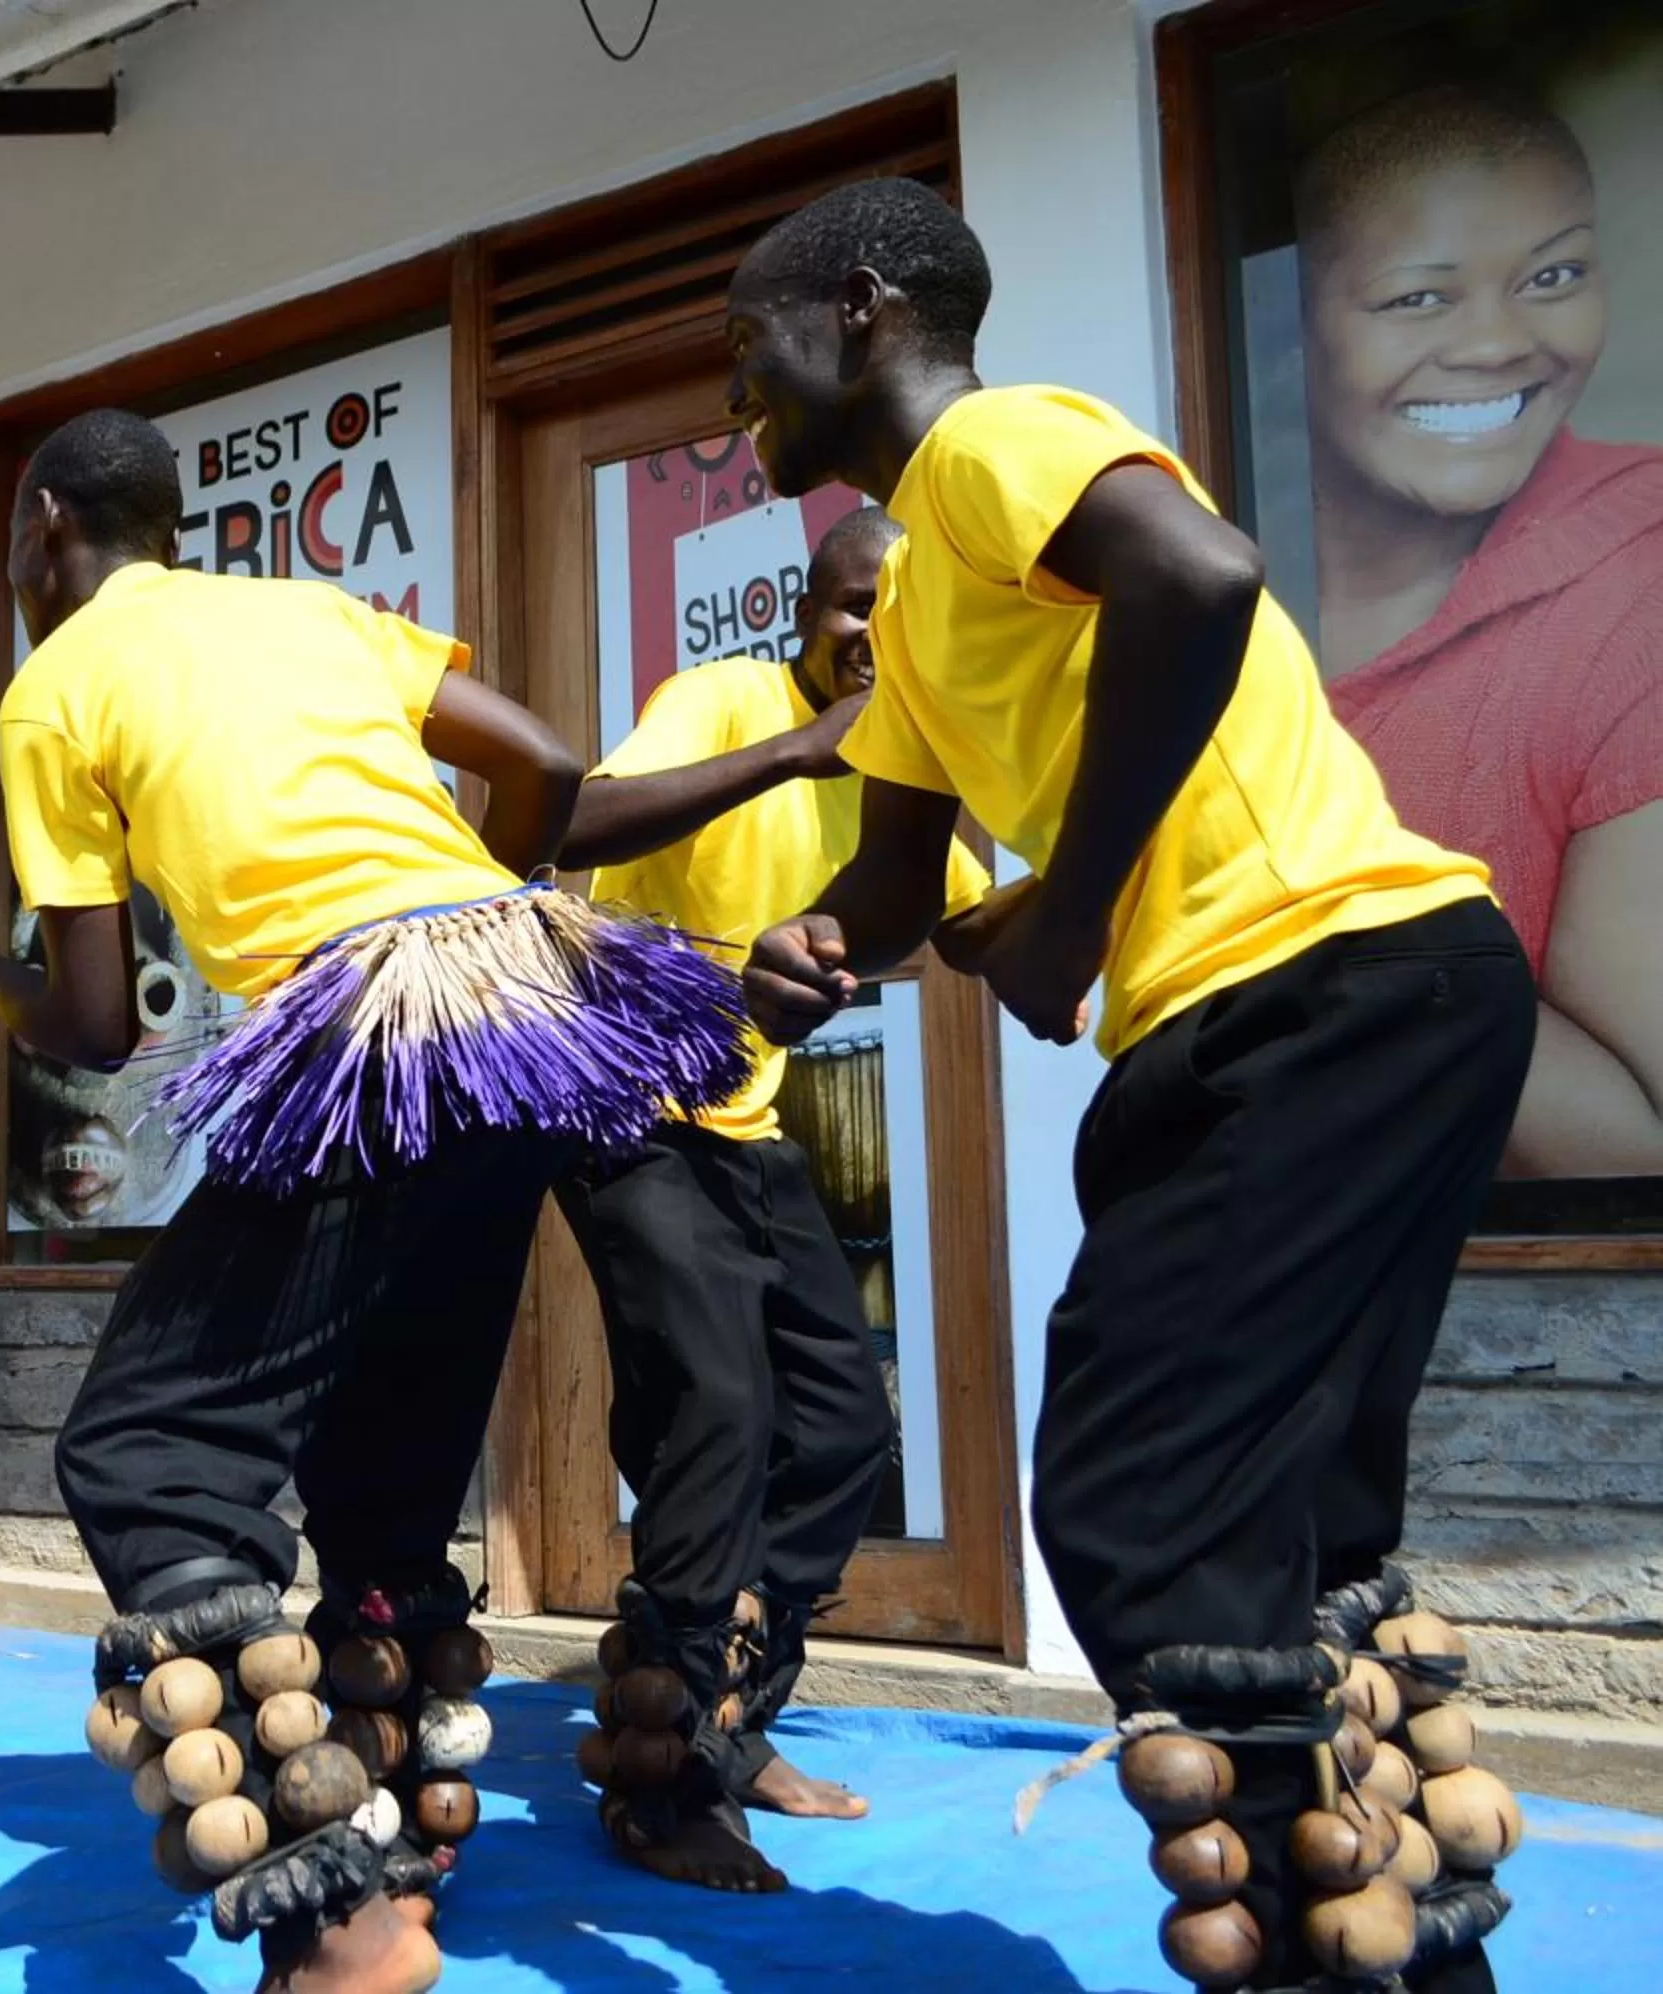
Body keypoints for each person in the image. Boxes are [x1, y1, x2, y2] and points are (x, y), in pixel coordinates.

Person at [725, 176, 1531, 1994]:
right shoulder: (925, 595)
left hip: (1326, 980)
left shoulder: (995, 447)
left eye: (741, 345)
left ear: (863, 311)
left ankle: (1318, 1949)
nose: (729, 399)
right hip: (1321, 1011)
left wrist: (1069, 911)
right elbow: (890, 885)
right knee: (1284, 1514)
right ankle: (1396, 1944)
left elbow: (1203, 577)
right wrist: (801, 956)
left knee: (1138, 1485)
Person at [0, 407, 746, 1994]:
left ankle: (334, 1916)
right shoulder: (304, 604)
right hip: (529, 1011)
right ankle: (414, 1855)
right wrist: (470, 928)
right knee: (384, 1459)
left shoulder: (56, 680)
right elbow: (548, 763)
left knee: (141, 1446)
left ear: (43, 527)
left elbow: (91, 1025)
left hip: (375, 1022)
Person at [555, 505, 988, 1893]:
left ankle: (733, 1718)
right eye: (858, 604)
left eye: (905, 616)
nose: (877, 636)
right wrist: (801, 747)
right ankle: (662, 1779)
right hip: (621, 1103)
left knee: (845, 1421)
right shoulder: (726, 698)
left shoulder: (906, 773)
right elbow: (574, 820)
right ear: (806, 610)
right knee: (715, 1411)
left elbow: (977, 916)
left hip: (744, 1126)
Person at [1292, 84, 1663, 1176]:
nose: (1501, 344)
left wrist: (1311, 901)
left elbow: (1639, 1152)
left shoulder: (1630, 587)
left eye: (1553, 277)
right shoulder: (1213, 589)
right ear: (1293, 321)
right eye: (1418, 299)